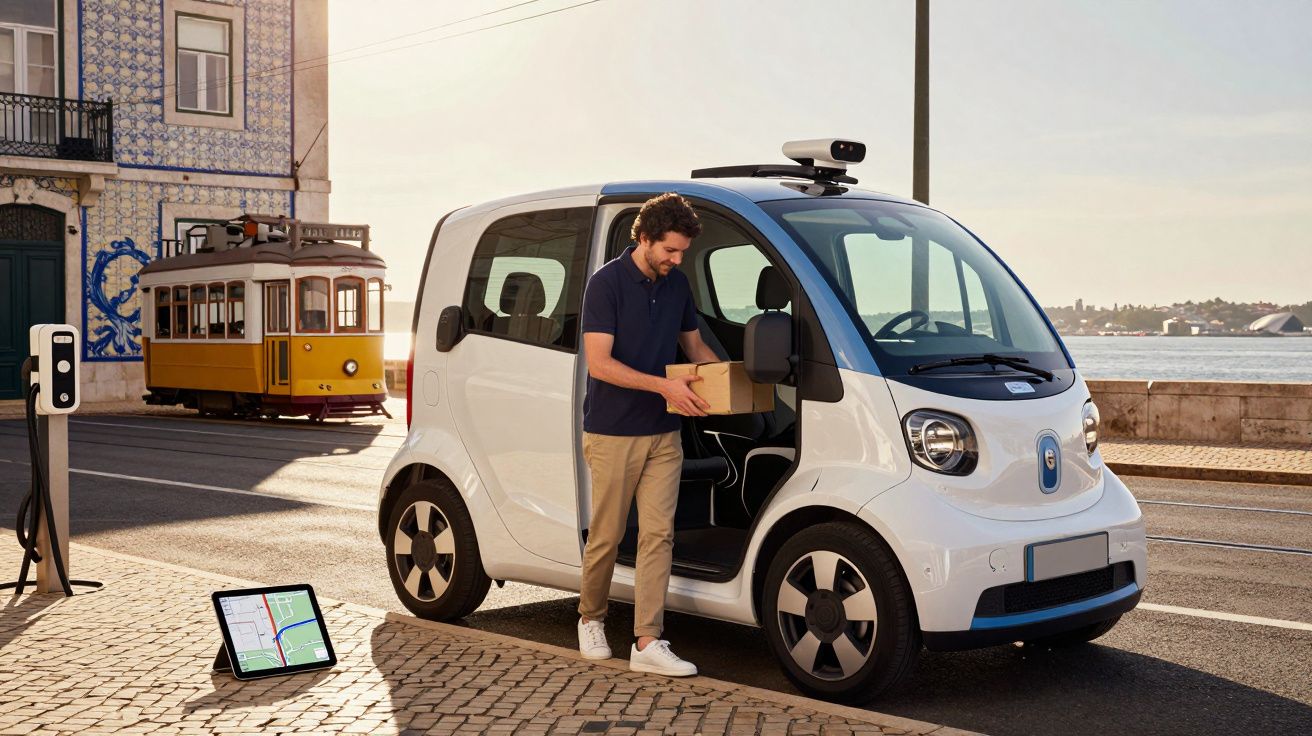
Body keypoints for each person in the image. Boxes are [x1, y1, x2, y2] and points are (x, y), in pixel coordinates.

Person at [576, 192, 720, 676]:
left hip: (664, 430)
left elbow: (695, 345)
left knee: (658, 537)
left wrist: (737, 382)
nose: (677, 261)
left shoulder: (677, 285)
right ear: (644, 238)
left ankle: (646, 641)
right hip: (614, 431)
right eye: (670, 251)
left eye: (682, 252)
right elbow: (599, 363)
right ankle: (590, 618)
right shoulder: (606, 284)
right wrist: (664, 386)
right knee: (609, 534)